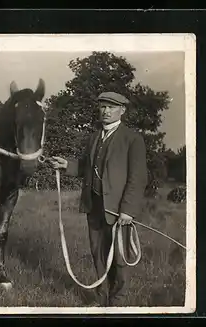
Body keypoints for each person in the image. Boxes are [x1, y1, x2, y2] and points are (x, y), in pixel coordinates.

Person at [49, 91, 148, 306]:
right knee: (98, 254)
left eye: (111, 107)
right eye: (103, 106)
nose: (106, 111)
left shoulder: (132, 139)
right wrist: (67, 165)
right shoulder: (94, 137)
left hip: (118, 211)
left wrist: (128, 210)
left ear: (122, 110)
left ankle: (118, 301)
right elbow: (86, 167)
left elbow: (138, 178)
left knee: (120, 258)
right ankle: (101, 298)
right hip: (94, 206)